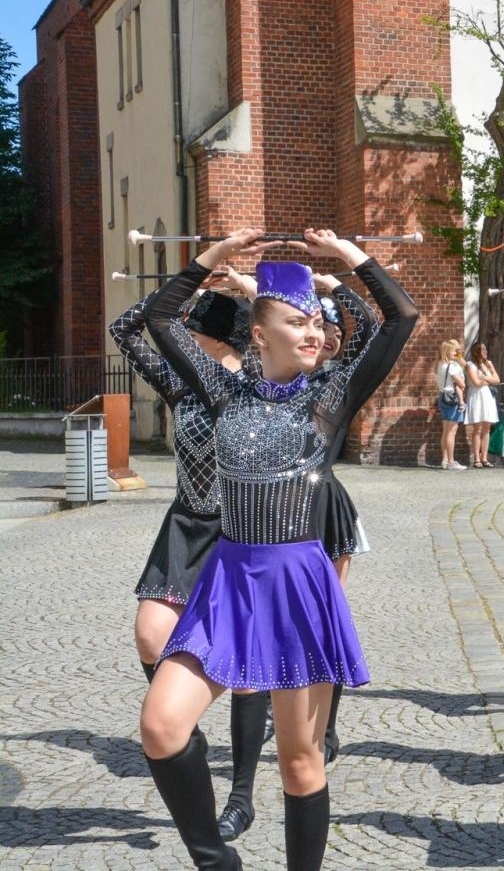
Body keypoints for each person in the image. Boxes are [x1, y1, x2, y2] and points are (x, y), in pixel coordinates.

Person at [140, 228, 417, 870]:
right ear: (260, 334)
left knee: (299, 762)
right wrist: (218, 253)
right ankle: (217, 861)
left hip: (298, 585)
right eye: (297, 322)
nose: (314, 332)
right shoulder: (220, 390)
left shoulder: (330, 398)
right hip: (228, 583)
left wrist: (346, 261)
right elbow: (159, 315)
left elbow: (400, 315)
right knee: (161, 726)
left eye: (316, 322)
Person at [110, 279, 270, 845]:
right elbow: (126, 329)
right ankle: (183, 730)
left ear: (221, 339)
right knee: (152, 633)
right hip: (187, 525)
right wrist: (195, 279)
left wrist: (252, 293)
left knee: (247, 670)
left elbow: (291, 343)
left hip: (245, 533)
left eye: (194, 332)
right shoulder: (180, 381)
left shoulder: (259, 384)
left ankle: (242, 794)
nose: (184, 340)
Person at [464, 342, 501, 468]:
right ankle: (476, 458)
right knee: (477, 428)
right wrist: (486, 380)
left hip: (487, 396)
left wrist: (485, 379)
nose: (485, 351)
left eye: (485, 348)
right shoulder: (470, 365)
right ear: (476, 351)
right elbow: (475, 382)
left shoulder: (488, 364)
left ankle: (485, 458)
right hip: (476, 396)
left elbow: (497, 380)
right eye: (482, 349)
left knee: (487, 428)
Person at [436, 339, 468, 469]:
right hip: (452, 399)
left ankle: (444, 460)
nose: (456, 352)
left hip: (442, 396)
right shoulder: (453, 366)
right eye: (454, 350)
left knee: (445, 431)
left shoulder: (440, 364)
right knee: (451, 432)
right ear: (447, 351)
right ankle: (451, 461)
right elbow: (461, 384)